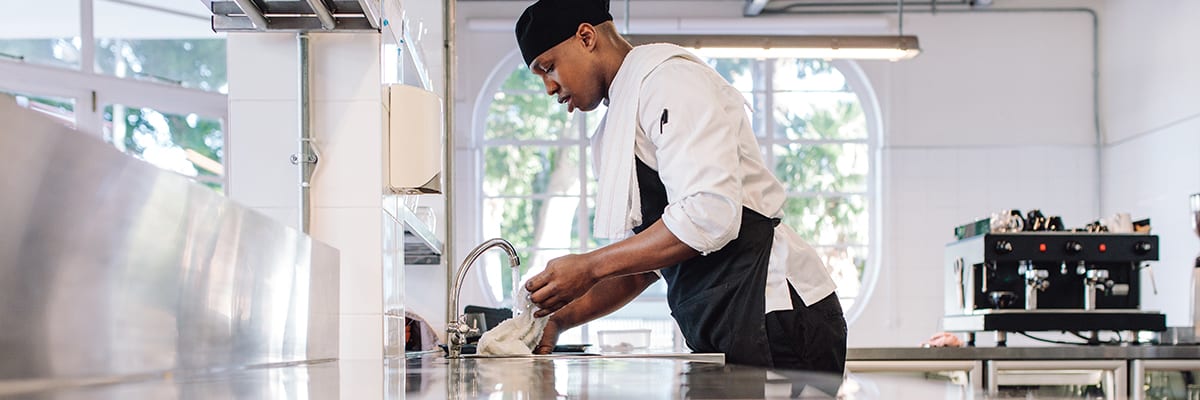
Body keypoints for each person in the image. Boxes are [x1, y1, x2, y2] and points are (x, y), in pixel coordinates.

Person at [514, 0, 848, 373]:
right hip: (722, 322)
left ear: (586, 36)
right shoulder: (611, 135)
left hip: (776, 310)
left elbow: (709, 214)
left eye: (548, 66)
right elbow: (639, 268)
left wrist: (590, 266)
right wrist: (557, 319)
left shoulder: (668, 81)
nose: (548, 86)